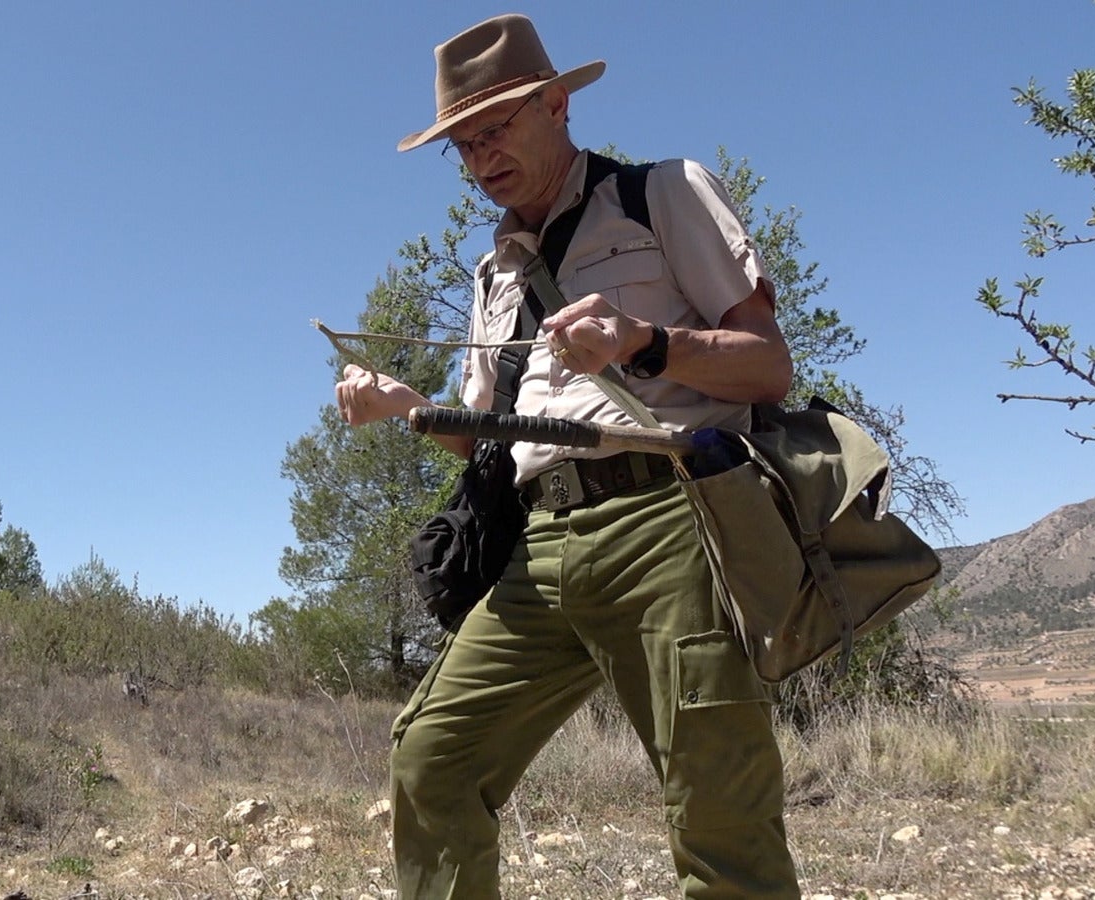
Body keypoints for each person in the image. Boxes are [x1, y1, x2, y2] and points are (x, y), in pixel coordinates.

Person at [333, 14, 802, 900]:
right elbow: (482, 434)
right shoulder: (492, 272)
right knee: (433, 761)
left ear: (557, 104)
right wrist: (405, 408)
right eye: (461, 146)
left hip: (668, 522)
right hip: (539, 545)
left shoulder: (659, 193)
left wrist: (645, 342)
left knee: (717, 807)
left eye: (496, 128)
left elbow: (769, 365)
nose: (479, 159)